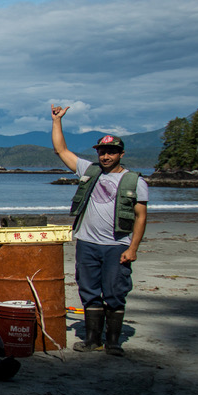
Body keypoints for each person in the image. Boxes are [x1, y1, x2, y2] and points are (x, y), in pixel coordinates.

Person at [51, 106, 148, 355]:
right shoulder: (88, 170)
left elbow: (140, 217)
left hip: (117, 245)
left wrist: (133, 248)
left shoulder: (135, 181)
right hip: (87, 243)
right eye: (102, 152)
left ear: (121, 154)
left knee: (115, 292)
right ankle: (93, 339)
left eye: (111, 152)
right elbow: (61, 150)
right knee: (89, 291)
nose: (105, 157)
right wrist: (57, 121)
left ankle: (113, 342)